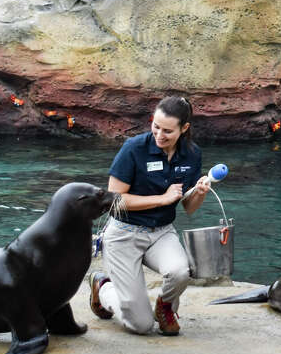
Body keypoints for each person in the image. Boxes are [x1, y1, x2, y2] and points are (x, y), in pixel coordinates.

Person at [88, 96, 213, 335]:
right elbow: (113, 202)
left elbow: (189, 207)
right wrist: (162, 199)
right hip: (124, 234)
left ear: (184, 128)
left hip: (161, 232)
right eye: (155, 126)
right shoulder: (134, 148)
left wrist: (199, 192)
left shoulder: (192, 154)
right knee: (140, 325)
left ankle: (165, 307)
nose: (159, 134)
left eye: (168, 130)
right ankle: (103, 287)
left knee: (180, 272)